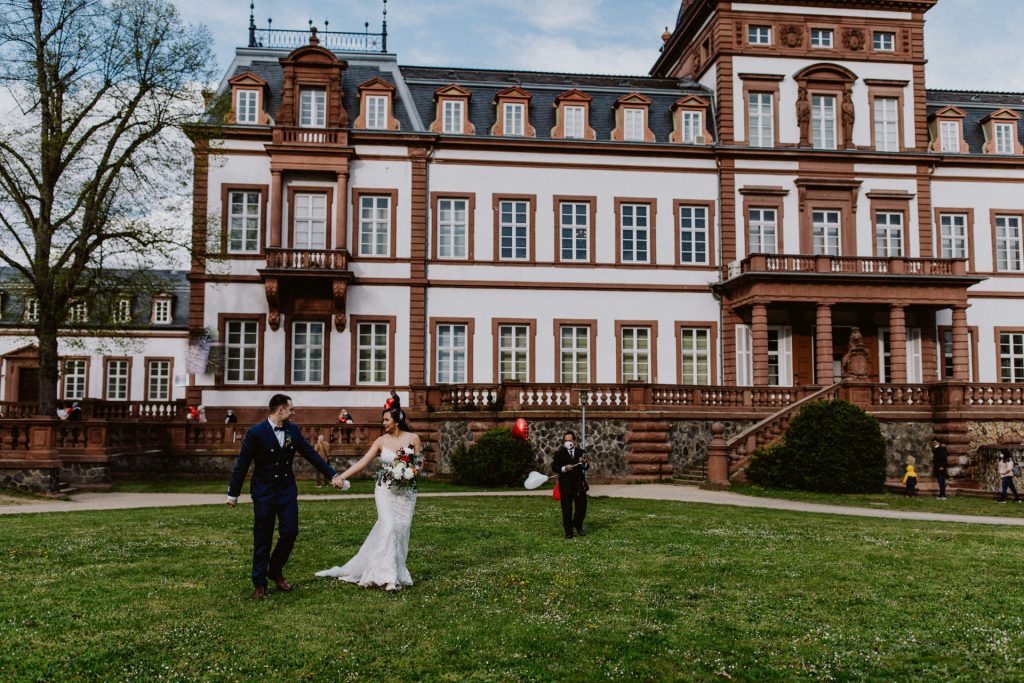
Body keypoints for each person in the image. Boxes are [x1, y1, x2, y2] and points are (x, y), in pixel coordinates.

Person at [226, 394, 346, 599]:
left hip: (286, 491)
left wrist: (333, 474)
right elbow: (242, 464)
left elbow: (311, 454)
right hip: (264, 492)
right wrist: (233, 493)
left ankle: (275, 570)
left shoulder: (293, 430)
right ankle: (259, 583)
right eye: (291, 409)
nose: (294, 412)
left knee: (290, 532)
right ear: (280, 409)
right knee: (262, 537)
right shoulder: (255, 433)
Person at [317, 394, 421, 592]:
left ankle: (397, 571)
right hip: (385, 491)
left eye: (386, 420)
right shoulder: (381, 441)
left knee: (400, 532)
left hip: (406, 493)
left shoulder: (414, 439)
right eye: (383, 420)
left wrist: (409, 473)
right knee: (389, 526)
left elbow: (418, 466)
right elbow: (362, 462)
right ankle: (388, 579)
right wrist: (341, 477)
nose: (383, 423)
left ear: (397, 420)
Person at [552, 431, 589, 538]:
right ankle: (568, 533)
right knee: (566, 510)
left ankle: (577, 525)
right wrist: (563, 468)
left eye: (570, 440)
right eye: (566, 441)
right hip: (566, 486)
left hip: (579, 486)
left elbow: (586, 467)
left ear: (574, 441)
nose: (568, 442)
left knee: (582, 508)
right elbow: (554, 468)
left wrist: (584, 463)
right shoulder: (559, 454)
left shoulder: (581, 452)